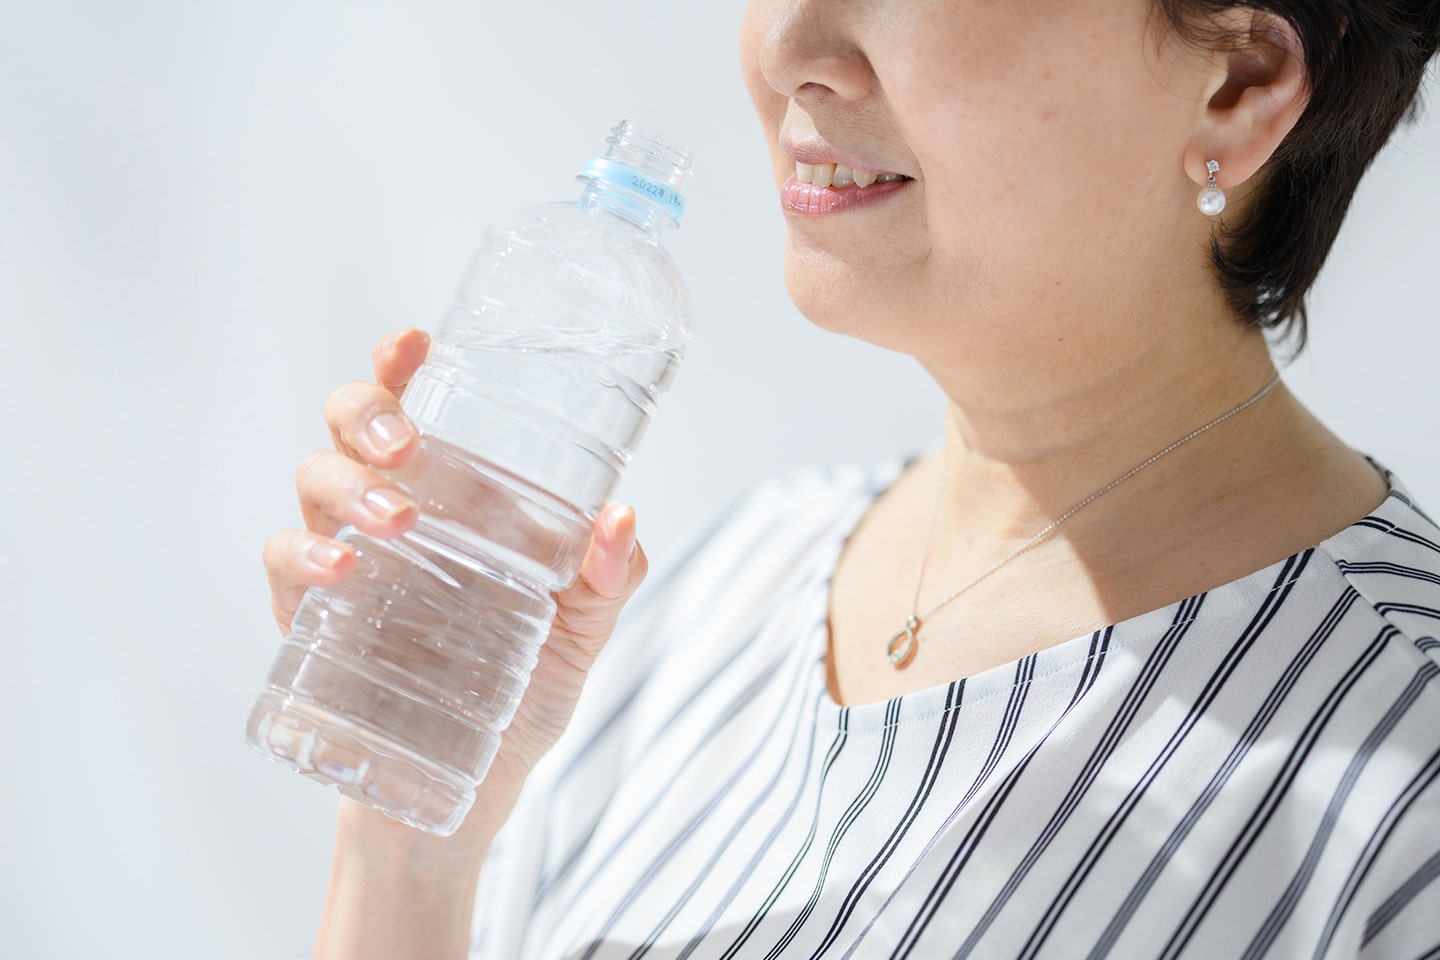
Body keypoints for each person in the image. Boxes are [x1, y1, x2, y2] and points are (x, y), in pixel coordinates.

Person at [261, 0, 1440, 956]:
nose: (788, 48)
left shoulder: (1402, 774)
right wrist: (414, 824)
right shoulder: (722, 589)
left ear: (1238, 81)